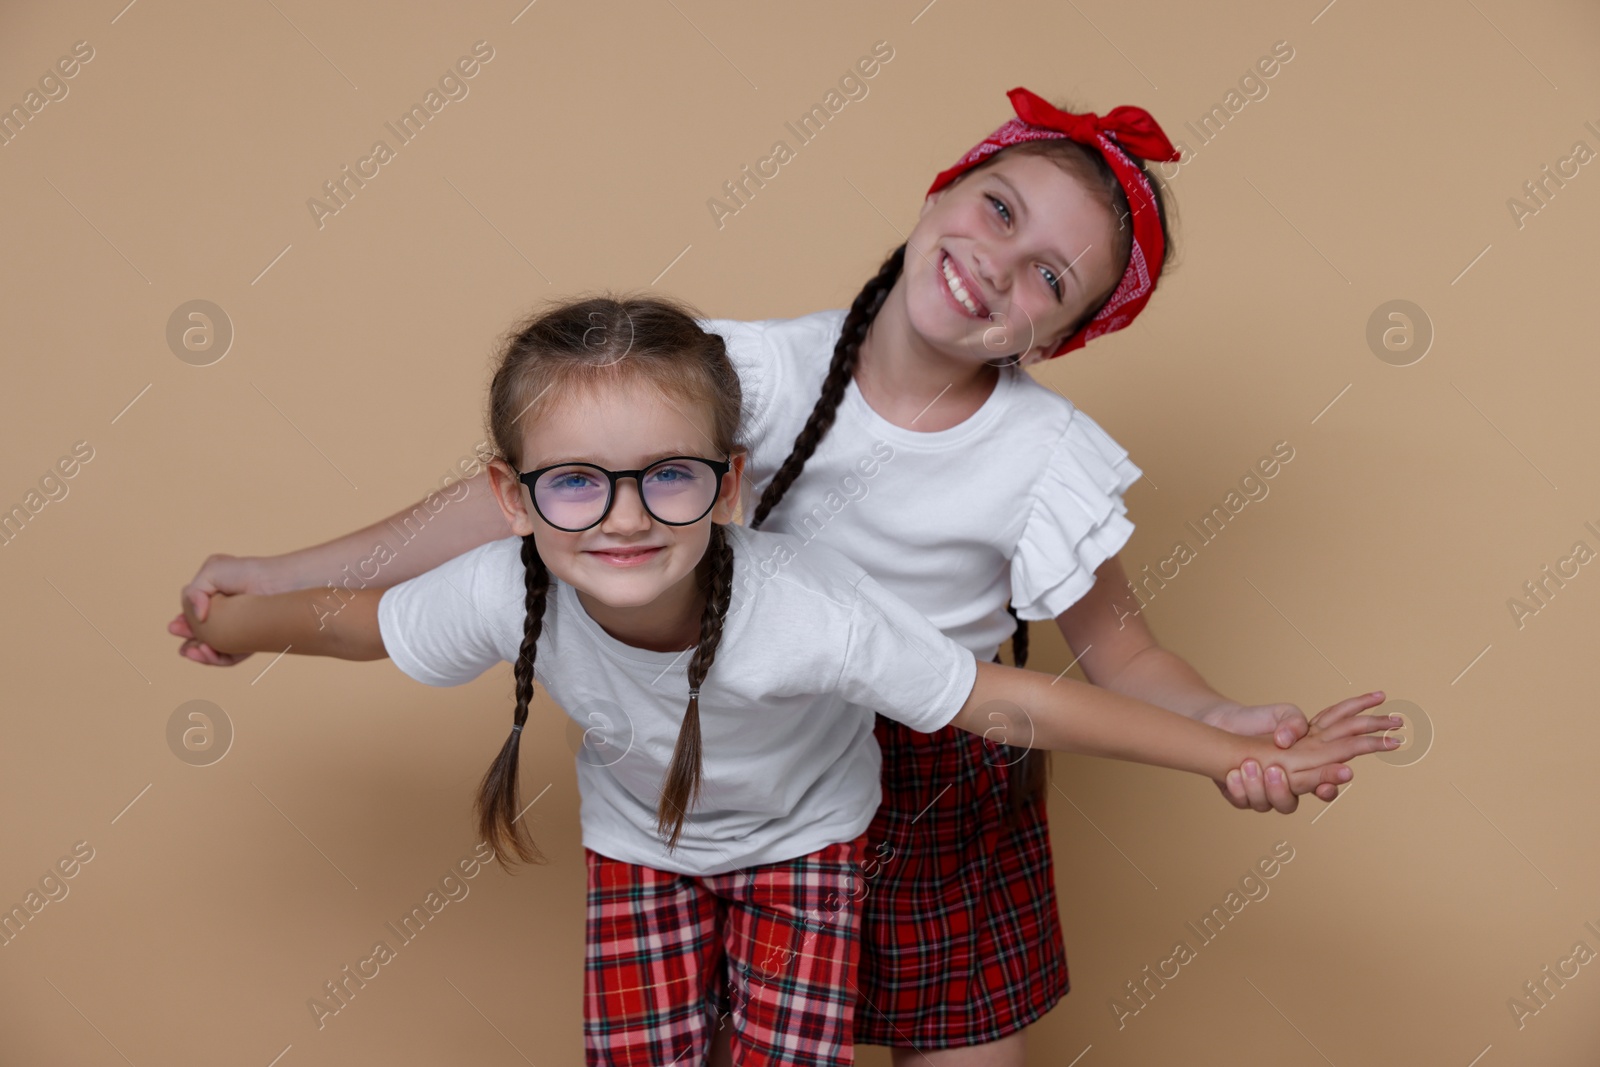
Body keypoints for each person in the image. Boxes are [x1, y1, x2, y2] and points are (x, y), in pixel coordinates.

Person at [171, 91, 1374, 1064]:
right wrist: (280, 574)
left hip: (945, 765)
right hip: (735, 733)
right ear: (941, 190)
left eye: (1050, 277)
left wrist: (1220, 726)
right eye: (998, 209)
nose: (1000, 264)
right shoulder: (744, 368)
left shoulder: (1045, 456)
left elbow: (1116, 655)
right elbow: (506, 515)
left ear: (1056, 337)